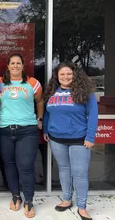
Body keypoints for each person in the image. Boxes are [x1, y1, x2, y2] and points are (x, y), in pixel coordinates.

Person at [43, 62, 98, 220]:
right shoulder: (52, 92)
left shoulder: (85, 92)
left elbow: (93, 115)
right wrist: (46, 129)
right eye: (62, 74)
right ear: (57, 77)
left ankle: (82, 207)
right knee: (64, 169)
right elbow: (47, 113)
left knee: (80, 173)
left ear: (75, 75)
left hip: (79, 139)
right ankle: (67, 199)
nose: (66, 77)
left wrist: (90, 136)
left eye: (69, 74)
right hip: (56, 138)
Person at [0, 53, 44, 218]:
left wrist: (39, 118)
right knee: (9, 165)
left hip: (27, 131)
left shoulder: (33, 83)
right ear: (8, 66)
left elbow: (39, 101)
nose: (15, 66)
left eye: (18, 63)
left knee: (26, 166)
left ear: (23, 66)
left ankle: (29, 200)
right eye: (12, 63)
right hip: (4, 129)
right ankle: (15, 195)